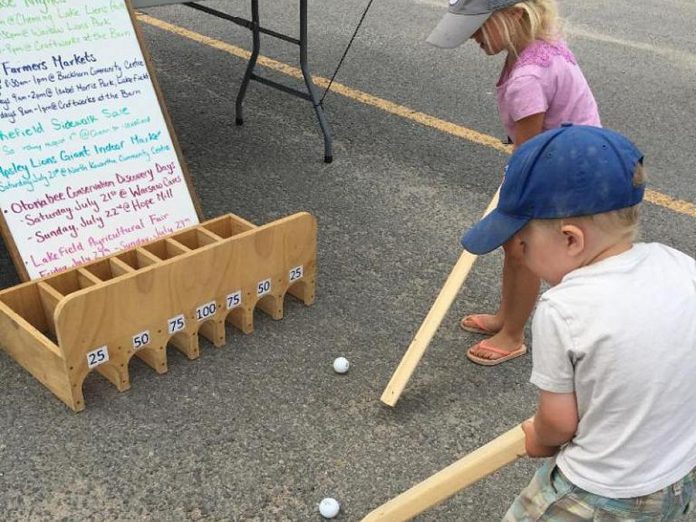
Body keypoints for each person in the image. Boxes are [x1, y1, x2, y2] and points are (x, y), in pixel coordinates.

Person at [460, 124, 696, 520]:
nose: (516, 254)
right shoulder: (682, 266)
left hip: (597, 492)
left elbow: (558, 422)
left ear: (571, 239)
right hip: (674, 479)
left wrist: (539, 436)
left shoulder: (564, 308)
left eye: (522, 244)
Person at [428, 0, 601, 365]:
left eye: (479, 25)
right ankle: (506, 317)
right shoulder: (536, 45)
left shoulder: (528, 79)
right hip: (568, 157)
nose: (472, 35)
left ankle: (512, 335)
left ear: (516, 15)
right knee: (513, 246)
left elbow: (526, 152)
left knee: (525, 250)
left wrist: (514, 191)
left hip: (561, 172)